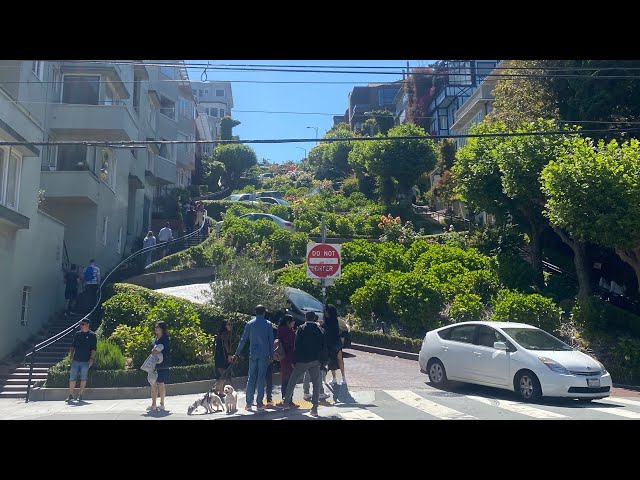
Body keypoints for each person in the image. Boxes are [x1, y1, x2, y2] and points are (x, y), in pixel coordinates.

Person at [282, 311, 327, 417]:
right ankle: (314, 408)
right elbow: (323, 346)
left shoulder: (301, 329)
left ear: (306, 318)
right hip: (315, 360)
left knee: (292, 381)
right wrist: (322, 361)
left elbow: (296, 346)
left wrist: (294, 360)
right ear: (314, 318)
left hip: (302, 360)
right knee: (316, 383)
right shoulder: (320, 329)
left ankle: (286, 403)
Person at [231, 305, 273, 412]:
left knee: (251, 378)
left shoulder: (250, 324)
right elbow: (270, 340)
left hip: (253, 353)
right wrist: (271, 355)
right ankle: (259, 403)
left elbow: (243, 340)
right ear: (264, 312)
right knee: (261, 378)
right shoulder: (268, 324)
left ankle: (248, 403)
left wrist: (237, 353)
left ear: (255, 312)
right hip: (264, 354)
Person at [67, 318, 97, 402]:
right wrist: (71, 357)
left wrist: (91, 359)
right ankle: (70, 395)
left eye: (82, 324)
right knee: (72, 378)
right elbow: (73, 346)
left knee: (83, 378)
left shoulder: (92, 335)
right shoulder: (77, 334)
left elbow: (93, 349)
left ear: (87, 324)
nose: (81, 326)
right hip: (76, 360)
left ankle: (80, 394)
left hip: (85, 361)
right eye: (80, 324)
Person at [148, 321, 171, 412]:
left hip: (162, 364)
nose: (155, 328)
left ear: (162, 328)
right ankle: (153, 404)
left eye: (157, 327)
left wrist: (157, 350)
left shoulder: (165, 339)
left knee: (161, 384)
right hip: (154, 363)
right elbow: (153, 349)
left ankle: (162, 404)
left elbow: (165, 350)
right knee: (153, 384)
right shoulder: (155, 338)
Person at [323, 304, 347, 386]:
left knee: (340, 359)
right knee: (331, 361)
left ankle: (343, 377)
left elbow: (333, 332)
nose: (325, 312)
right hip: (330, 343)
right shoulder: (326, 320)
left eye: (326, 311)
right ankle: (334, 378)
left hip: (335, 343)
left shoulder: (334, 321)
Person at [277, 314, 296, 400]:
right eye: (292, 322)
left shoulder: (280, 330)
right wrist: (292, 361)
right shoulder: (289, 332)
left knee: (284, 378)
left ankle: (284, 397)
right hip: (289, 357)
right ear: (288, 322)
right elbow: (290, 346)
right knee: (290, 379)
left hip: (282, 357)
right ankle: (289, 399)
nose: (294, 323)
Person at [214, 320, 233, 396]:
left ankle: (220, 391)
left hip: (218, 355)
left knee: (222, 374)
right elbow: (225, 344)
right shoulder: (225, 334)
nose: (230, 326)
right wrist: (229, 354)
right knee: (224, 374)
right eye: (228, 324)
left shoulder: (220, 334)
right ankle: (216, 389)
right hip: (222, 356)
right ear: (225, 326)